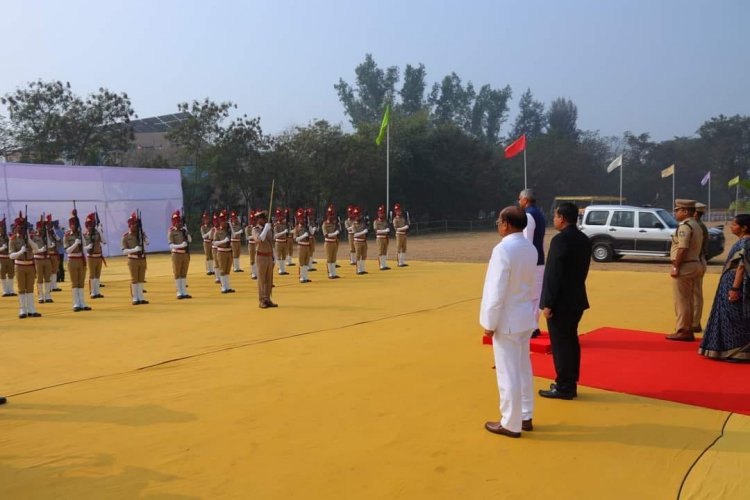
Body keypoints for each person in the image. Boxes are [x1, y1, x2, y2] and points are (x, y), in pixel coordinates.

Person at [481, 206, 538, 438]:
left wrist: (489, 321)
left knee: (508, 372)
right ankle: (525, 415)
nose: (497, 225)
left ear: (505, 223)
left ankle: (510, 422)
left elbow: (496, 291)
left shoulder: (504, 249)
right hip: (524, 315)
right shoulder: (529, 247)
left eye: (498, 221)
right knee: (523, 368)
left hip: (507, 319)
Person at [538, 202, 591, 400]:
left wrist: (548, 303)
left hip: (560, 302)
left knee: (561, 345)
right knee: (570, 342)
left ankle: (564, 386)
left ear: (562, 218)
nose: (554, 220)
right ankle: (569, 382)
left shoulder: (561, 241)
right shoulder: (584, 239)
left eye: (555, 216)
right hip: (576, 298)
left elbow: (554, 274)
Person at [698, 214, 750, 362]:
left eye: (734, 224)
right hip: (732, 283)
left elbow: (741, 267)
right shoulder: (743, 242)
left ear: (744, 227)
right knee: (730, 316)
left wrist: (734, 289)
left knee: (734, 318)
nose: (731, 227)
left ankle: (738, 352)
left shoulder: (745, 243)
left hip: (735, 285)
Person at [666, 199, 704, 341]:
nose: (675, 213)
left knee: (681, 300)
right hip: (695, 263)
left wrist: (676, 266)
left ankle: (683, 330)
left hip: (685, 265)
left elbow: (683, 248)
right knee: (690, 299)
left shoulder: (685, 226)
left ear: (686, 211)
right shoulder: (696, 225)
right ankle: (691, 326)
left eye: (678, 210)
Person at [518, 189, 546, 338]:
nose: (519, 202)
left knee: (531, 296)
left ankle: (531, 326)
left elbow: (527, 241)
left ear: (525, 200)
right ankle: (533, 325)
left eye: (519, 199)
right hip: (539, 259)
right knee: (536, 295)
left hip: (532, 261)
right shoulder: (539, 214)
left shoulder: (529, 216)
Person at [8, 214, 41, 318]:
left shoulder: (30, 238)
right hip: (20, 266)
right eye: (19, 227)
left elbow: (36, 250)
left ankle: (31, 309)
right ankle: (22, 309)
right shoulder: (13, 239)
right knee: (22, 288)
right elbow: (11, 256)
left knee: (30, 288)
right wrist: (20, 252)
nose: (21, 229)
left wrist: (29, 240)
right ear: (16, 227)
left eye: (23, 227)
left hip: (30, 266)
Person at [64, 211, 91, 312]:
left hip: (80, 259)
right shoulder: (67, 236)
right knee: (75, 282)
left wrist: (81, 236)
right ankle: (76, 303)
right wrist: (75, 244)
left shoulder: (80, 234)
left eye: (75, 224)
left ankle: (82, 302)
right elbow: (67, 250)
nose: (73, 226)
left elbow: (84, 245)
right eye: (71, 224)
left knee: (81, 282)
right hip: (72, 259)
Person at [121, 212, 149, 305]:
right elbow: (124, 251)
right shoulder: (125, 237)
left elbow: (148, 242)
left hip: (141, 259)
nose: (133, 226)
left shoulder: (140, 234)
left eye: (135, 224)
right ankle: (135, 298)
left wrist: (142, 233)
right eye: (131, 224)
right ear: (129, 225)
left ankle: (141, 297)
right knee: (134, 279)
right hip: (132, 259)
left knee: (141, 279)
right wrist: (133, 249)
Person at [254, 210, 277, 308]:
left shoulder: (268, 229)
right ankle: (261, 300)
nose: (264, 220)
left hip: (268, 256)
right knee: (261, 279)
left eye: (264, 218)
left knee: (269, 279)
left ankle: (267, 298)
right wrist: (265, 229)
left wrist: (274, 256)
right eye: (262, 218)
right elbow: (259, 239)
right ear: (258, 220)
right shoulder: (255, 229)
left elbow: (271, 243)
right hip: (261, 256)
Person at [692, 202, 709, 333]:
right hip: (699, 260)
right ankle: (694, 321)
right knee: (695, 293)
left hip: (696, 260)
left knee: (695, 294)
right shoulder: (698, 225)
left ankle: (694, 323)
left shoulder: (695, 226)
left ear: (695, 213)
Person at [168, 210, 192, 299]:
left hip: (185, 254)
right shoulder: (171, 232)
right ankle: (179, 292)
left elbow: (190, 240)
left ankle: (184, 291)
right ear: (174, 222)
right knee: (177, 273)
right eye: (177, 221)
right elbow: (171, 245)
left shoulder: (183, 231)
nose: (178, 223)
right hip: (177, 254)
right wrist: (181, 245)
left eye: (179, 221)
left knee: (184, 273)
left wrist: (186, 231)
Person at [83, 212, 106, 300]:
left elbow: (104, 241)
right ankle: (93, 292)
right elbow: (82, 247)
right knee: (92, 275)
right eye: (88, 225)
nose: (89, 226)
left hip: (98, 256)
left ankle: (97, 291)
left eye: (91, 224)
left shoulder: (97, 233)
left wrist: (100, 231)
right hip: (91, 257)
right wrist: (87, 247)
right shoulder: (85, 235)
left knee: (97, 275)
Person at [212, 211, 235, 293]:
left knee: (227, 270)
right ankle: (223, 287)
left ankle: (227, 286)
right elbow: (214, 243)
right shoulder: (217, 231)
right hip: (221, 252)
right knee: (222, 270)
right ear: (220, 222)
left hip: (229, 252)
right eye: (223, 221)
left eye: (225, 221)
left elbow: (234, 235)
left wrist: (231, 225)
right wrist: (223, 241)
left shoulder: (228, 230)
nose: (224, 223)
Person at [31, 218, 53, 304]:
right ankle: (40, 296)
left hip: (46, 258)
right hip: (38, 259)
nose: (41, 229)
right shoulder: (33, 237)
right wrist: (40, 250)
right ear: (37, 228)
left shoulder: (46, 236)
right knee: (39, 278)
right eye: (39, 228)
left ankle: (47, 295)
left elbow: (49, 245)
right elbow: (31, 249)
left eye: (43, 228)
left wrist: (47, 237)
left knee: (48, 277)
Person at [293, 208, 313, 283]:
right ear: (298, 219)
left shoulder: (306, 227)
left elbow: (312, 233)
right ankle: (301, 277)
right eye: (300, 219)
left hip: (307, 246)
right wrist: (304, 236)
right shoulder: (297, 228)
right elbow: (295, 239)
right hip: (301, 246)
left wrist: (309, 226)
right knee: (301, 262)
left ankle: (305, 277)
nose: (302, 220)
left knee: (306, 262)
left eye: (303, 219)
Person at [0, 214, 17, 297]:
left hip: (9, 258)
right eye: (1, 228)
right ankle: (5, 291)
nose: (2, 229)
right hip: (2, 258)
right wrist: (2, 248)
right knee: (2, 274)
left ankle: (11, 290)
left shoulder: (9, 237)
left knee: (11, 274)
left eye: (3, 228)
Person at [321, 204, 340, 279]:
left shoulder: (334, 223)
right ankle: (330, 274)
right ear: (327, 215)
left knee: (334, 258)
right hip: (328, 242)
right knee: (329, 259)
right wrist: (335, 233)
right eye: (330, 215)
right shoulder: (325, 224)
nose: (331, 216)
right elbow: (326, 235)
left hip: (334, 242)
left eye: (332, 215)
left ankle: (334, 273)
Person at [352, 206, 369, 275]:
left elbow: (367, 229)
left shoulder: (363, 223)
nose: (358, 217)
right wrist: (363, 232)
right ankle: (359, 269)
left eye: (358, 215)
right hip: (357, 241)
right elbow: (355, 234)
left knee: (364, 255)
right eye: (356, 216)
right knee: (358, 255)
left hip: (363, 241)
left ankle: (362, 268)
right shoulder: (354, 225)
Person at [373, 205, 391, 270]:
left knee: (385, 251)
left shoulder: (385, 221)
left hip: (385, 238)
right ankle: (381, 265)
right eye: (380, 213)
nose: (382, 214)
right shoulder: (376, 221)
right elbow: (376, 231)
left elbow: (388, 229)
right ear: (378, 213)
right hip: (380, 238)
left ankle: (384, 264)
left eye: (383, 213)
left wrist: (388, 230)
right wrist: (385, 230)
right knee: (380, 251)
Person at [273, 208, 290, 275]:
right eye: (279, 216)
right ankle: (280, 269)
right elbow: (276, 235)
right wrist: (283, 232)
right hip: (278, 242)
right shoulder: (276, 225)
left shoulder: (284, 224)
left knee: (284, 256)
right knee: (279, 256)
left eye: (281, 216)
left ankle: (283, 269)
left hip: (284, 241)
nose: (281, 217)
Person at [392, 203, 409, 267]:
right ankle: (399, 262)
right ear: (395, 211)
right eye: (397, 210)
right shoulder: (395, 219)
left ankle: (403, 261)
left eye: (399, 210)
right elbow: (396, 229)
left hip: (404, 234)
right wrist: (404, 227)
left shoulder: (403, 218)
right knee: (399, 248)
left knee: (404, 248)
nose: (399, 212)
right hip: (399, 234)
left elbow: (406, 224)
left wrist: (406, 227)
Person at [200, 211, 216, 276]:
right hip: (206, 242)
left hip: (211, 242)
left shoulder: (211, 226)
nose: (206, 220)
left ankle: (212, 269)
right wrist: (210, 231)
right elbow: (203, 236)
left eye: (207, 219)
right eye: (205, 219)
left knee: (211, 256)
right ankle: (208, 270)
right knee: (207, 256)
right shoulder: (202, 227)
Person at [245, 210, 258, 279]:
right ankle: (253, 273)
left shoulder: (257, 227)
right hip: (251, 244)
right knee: (252, 259)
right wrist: (254, 236)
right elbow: (247, 237)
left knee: (257, 259)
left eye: (254, 220)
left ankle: (257, 272)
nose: (253, 221)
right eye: (252, 220)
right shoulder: (248, 228)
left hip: (257, 244)